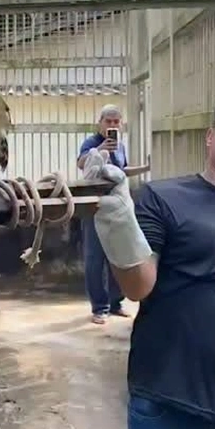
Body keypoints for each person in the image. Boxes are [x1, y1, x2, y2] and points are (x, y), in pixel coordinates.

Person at [84, 103, 215, 429]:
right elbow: (138, 286)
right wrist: (118, 223)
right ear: (210, 136)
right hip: (170, 403)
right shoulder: (164, 198)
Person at [75, 104, 130, 324]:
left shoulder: (121, 146)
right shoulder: (91, 143)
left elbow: (122, 172)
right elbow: (81, 164)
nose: (113, 125)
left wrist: (146, 168)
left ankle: (116, 303)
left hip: (116, 206)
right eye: (108, 121)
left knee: (117, 255)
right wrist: (100, 151)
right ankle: (99, 307)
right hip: (94, 206)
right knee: (94, 258)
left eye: (116, 122)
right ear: (100, 123)